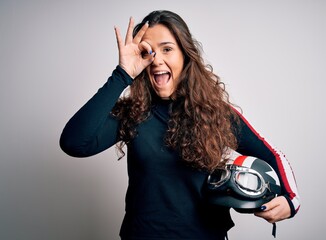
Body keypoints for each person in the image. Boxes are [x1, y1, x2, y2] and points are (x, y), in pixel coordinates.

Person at [60, 10, 300, 240]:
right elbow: (74, 143)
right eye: (148, 51)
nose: (157, 60)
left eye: (167, 49)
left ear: (185, 55)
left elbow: (272, 155)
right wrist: (122, 74)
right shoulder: (132, 113)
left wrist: (291, 200)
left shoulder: (216, 114)